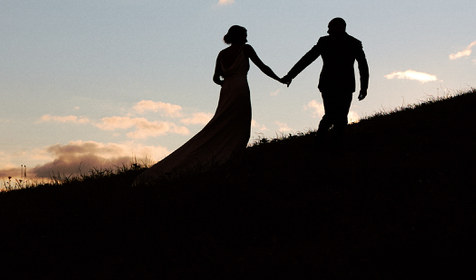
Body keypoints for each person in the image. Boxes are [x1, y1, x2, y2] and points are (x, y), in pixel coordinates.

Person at [134, 25, 281, 184]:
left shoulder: (222, 54)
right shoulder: (246, 49)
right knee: (240, 124)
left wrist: (227, 83)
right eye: (245, 34)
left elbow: (216, 78)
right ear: (240, 36)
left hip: (226, 89)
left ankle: (224, 151)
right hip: (240, 87)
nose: (247, 37)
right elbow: (263, 67)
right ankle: (232, 154)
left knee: (221, 122)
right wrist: (279, 79)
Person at [282, 17, 368, 143]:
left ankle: (326, 143)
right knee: (335, 116)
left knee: (337, 116)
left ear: (338, 27)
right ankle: (324, 143)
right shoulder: (350, 42)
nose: (328, 31)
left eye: (330, 27)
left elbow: (307, 58)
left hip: (335, 84)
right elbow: (307, 58)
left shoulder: (334, 42)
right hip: (337, 85)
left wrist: (364, 87)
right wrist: (290, 75)